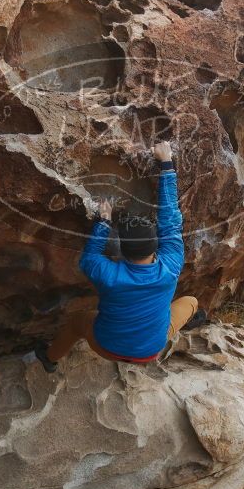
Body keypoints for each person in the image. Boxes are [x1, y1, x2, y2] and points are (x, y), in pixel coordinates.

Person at [34, 141, 207, 372]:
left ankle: (50, 359)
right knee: (192, 302)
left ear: (122, 251)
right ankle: (184, 324)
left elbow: (90, 256)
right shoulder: (171, 265)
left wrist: (104, 222)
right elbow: (171, 219)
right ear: (156, 246)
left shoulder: (109, 274)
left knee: (79, 322)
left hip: (106, 347)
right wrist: (166, 163)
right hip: (151, 352)